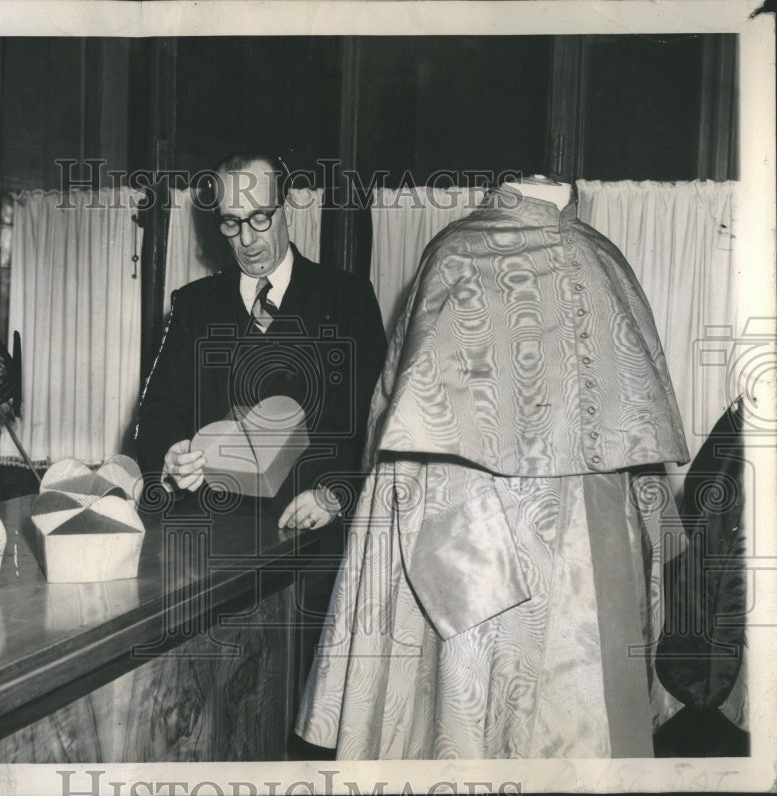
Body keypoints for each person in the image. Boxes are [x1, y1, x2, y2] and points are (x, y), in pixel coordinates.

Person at [295, 179, 690, 759]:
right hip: (571, 552)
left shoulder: (458, 252)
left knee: (463, 723)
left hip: (475, 538)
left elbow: (394, 431)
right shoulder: (603, 260)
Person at [135, 154, 387, 677]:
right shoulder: (193, 305)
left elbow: (375, 421)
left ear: (287, 205)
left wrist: (335, 492)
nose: (247, 238)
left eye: (259, 218)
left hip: (310, 542)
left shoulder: (348, 299)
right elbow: (157, 410)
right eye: (230, 222)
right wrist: (171, 454)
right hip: (211, 546)